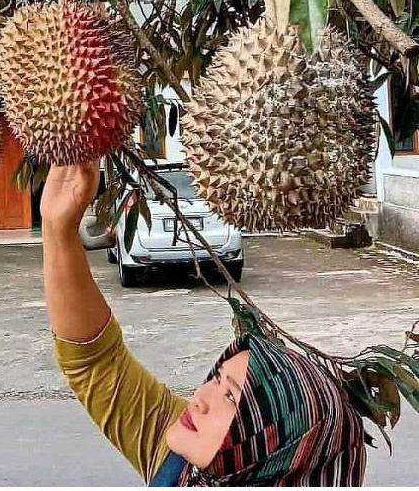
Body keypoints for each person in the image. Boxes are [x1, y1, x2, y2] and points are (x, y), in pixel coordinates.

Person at [41, 162, 368, 486]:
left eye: (230, 396)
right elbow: (96, 362)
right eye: (217, 379)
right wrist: (58, 227)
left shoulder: (193, 453)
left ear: (273, 446)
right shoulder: (180, 464)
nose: (198, 398)